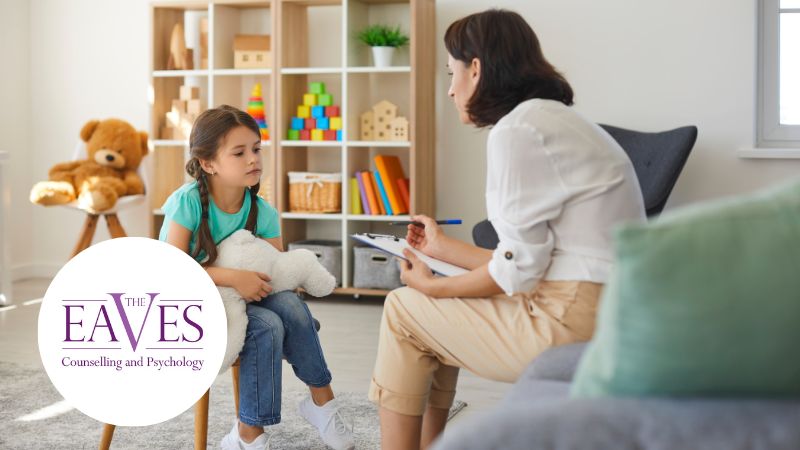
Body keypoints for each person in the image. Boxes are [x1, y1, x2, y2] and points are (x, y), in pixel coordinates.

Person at [368, 9, 646, 450]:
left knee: (406, 308)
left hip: (568, 321)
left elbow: (516, 276)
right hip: (607, 312)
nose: (450, 88)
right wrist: (442, 249)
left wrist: (435, 287)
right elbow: (529, 261)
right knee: (427, 314)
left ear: (475, 68)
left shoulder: (518, 131)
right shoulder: (554, 120)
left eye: (452, 72)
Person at [159, 105, 354, 450]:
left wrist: (253, 282)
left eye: (256, 149)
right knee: (267, 326)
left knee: (290, 304)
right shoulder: (187, 203)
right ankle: (249, 435)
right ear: (208, 163)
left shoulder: (262, 210)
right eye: (239, 152)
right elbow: (172, 270)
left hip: (243, 301)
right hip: (187, 305)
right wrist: (234, 277)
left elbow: (276, 272)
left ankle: (322, 403)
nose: (253, 159)